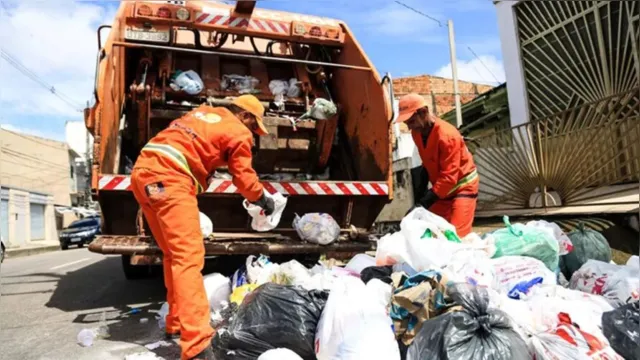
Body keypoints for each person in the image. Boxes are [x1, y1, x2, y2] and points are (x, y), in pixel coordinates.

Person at [130, 95, 276, 360]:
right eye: (254, 127)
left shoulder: (202, 113)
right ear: (244, 116)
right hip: (172, 178)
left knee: (173, 255)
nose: (252, 134)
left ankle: (176, 322)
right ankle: (197, 345)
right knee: (188, 258)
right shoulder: (238, 131)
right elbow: (243, 178)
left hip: (144, 173)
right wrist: (261, 198)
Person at [397, 93, 479, 237]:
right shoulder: (417, 133)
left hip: (462, 187)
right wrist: (419, 196)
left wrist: (424, 202)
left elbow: (449, 177)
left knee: (456, 237)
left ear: (423, 112)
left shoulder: (447, 136)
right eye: (406, 123)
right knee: (427, 232)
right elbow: (428, 162)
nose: (409, 127)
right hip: (443, 191)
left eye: (411, 121)